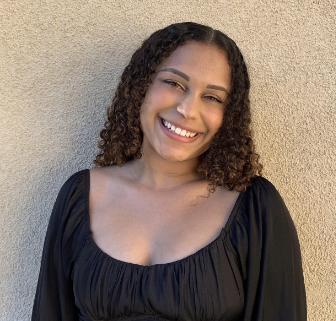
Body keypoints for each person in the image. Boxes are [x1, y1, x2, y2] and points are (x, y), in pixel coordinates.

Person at [31, 22, 307, 321]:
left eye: (212, 97)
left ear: (227, 117)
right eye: (174, 83)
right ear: (141, 87)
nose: (188, 109)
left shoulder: (254, 209)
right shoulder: (79, 196)